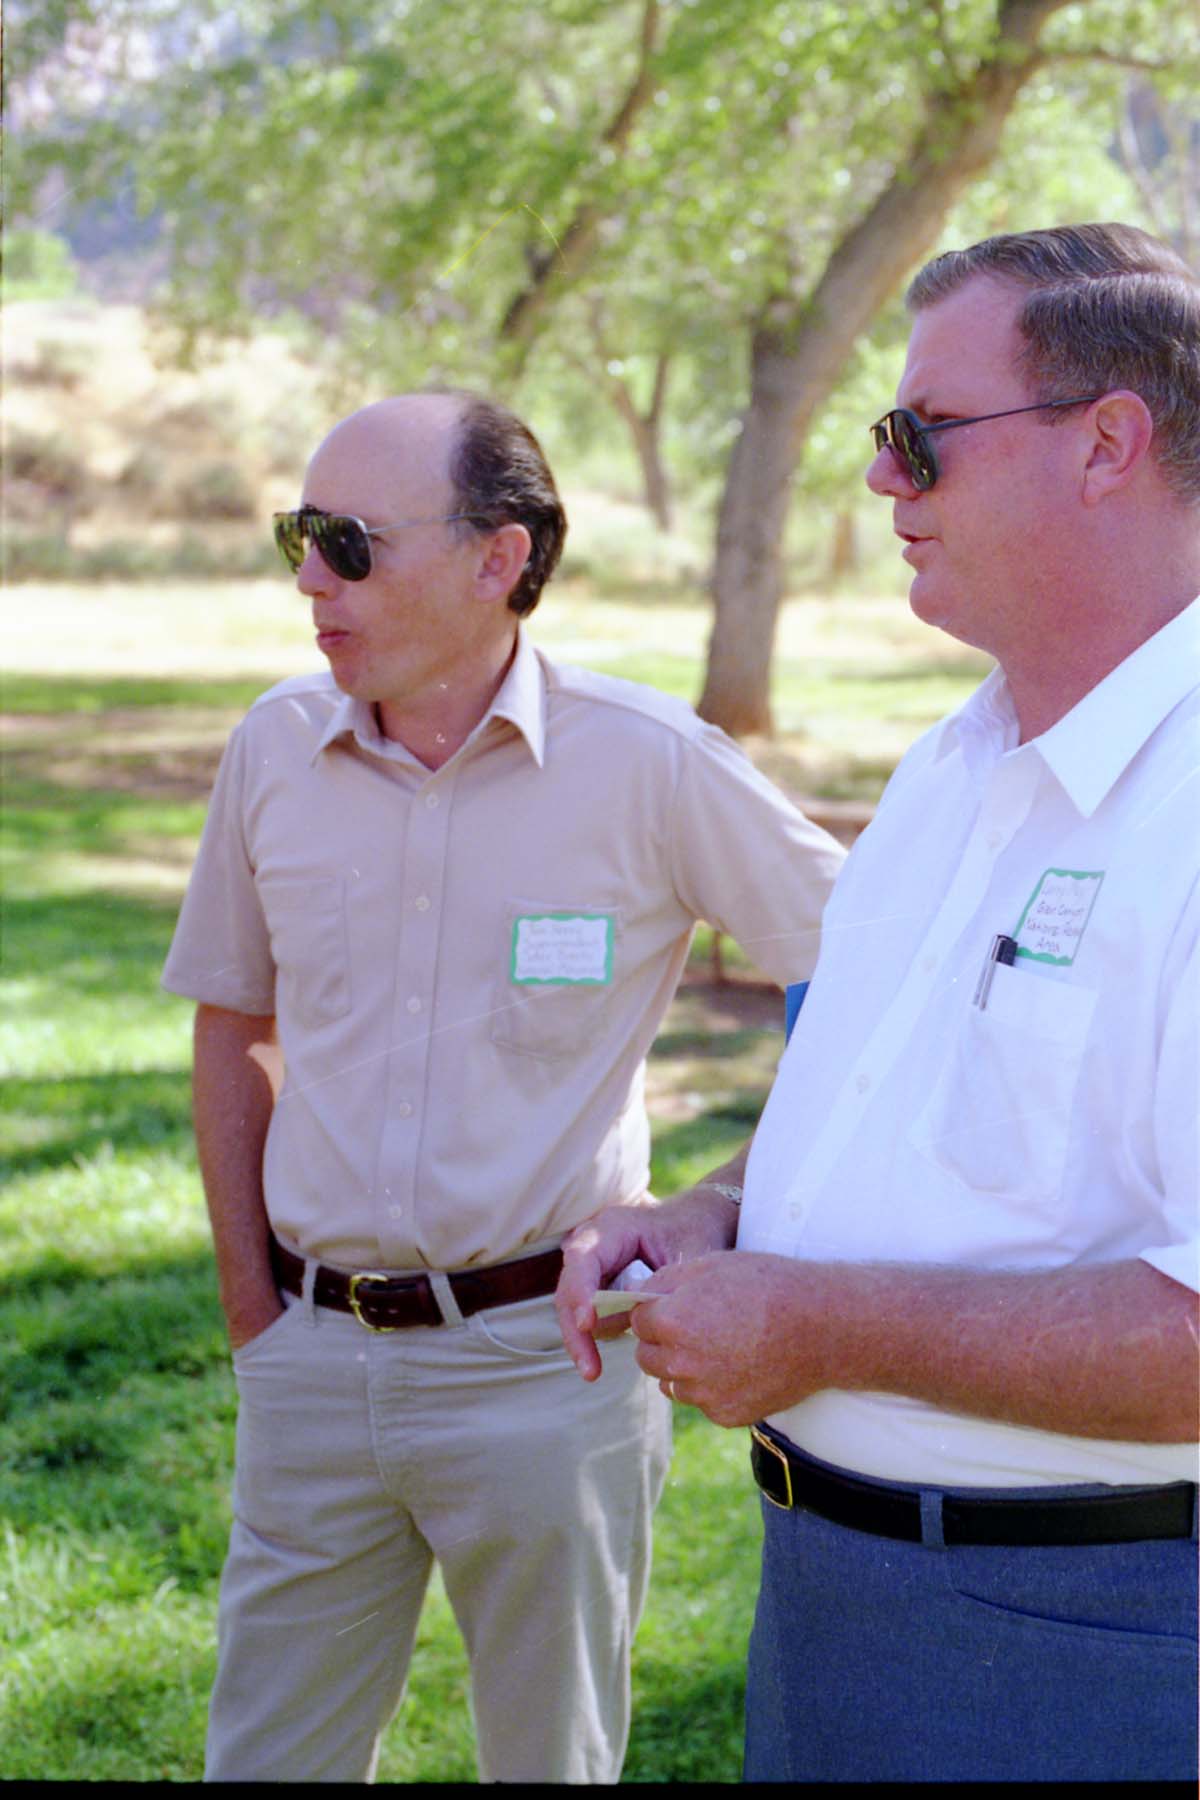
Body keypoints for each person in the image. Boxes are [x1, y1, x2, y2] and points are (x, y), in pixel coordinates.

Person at [557, 222, 1200, 1784]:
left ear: (1107, 443)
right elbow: (892, 1094)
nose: (879, 479)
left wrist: (819, 1321)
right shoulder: (950, 764)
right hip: (833, 1595)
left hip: (1097, 1636)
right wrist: (724, 1214)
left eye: (921, 435)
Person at [160, 387, 845, 1784]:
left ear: (500, 556)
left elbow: (874, 989)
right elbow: (234, 1025)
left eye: (350, 543)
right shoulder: (273, 747)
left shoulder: (649, 763)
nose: (310, 579)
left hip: (552, 1371)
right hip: (308, 1363)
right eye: (299, 536)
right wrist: (253, 1314)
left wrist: (723, 1202)